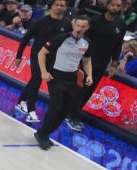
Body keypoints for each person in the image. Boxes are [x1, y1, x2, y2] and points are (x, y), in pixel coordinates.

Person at [64, 0, 126, 132]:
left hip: (102, 63)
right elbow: (81, 38)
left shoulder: (121, 24)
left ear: (121, 8)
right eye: (113, 4)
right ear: (107, 5)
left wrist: (114, 63)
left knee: (88, 91)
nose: (115, 7)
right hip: (87, 61)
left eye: (118, 5)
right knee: (79, 89)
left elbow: (118, 45)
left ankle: (72, 114)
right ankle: (70, 116)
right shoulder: (94, 21)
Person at [33, 16, 93, 149]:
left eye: (83, 26)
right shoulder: (61, 38)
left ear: (87, 28)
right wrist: (44, 72)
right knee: (56, 106)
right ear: (73, 25)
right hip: (56, 76)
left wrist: (89, 75)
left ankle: (45, 133)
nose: (80, 28)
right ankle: (42, 134)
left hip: (72, 78)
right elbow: (41, 53)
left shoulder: (86, 42)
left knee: (66, 109)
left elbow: (87, 60)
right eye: (78, 25)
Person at [13, 0, 71, 124]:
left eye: (62, 6)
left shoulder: (67, 24)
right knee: (37, 79)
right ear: (52, 6)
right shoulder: (41, 22)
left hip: (54, 57)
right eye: (57, 5)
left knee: (35, 78)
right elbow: (26, 38)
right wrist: (19, 56)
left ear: (65, 8)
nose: (59, 7)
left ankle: (22, 100)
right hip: (37, 54)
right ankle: (31, 110)